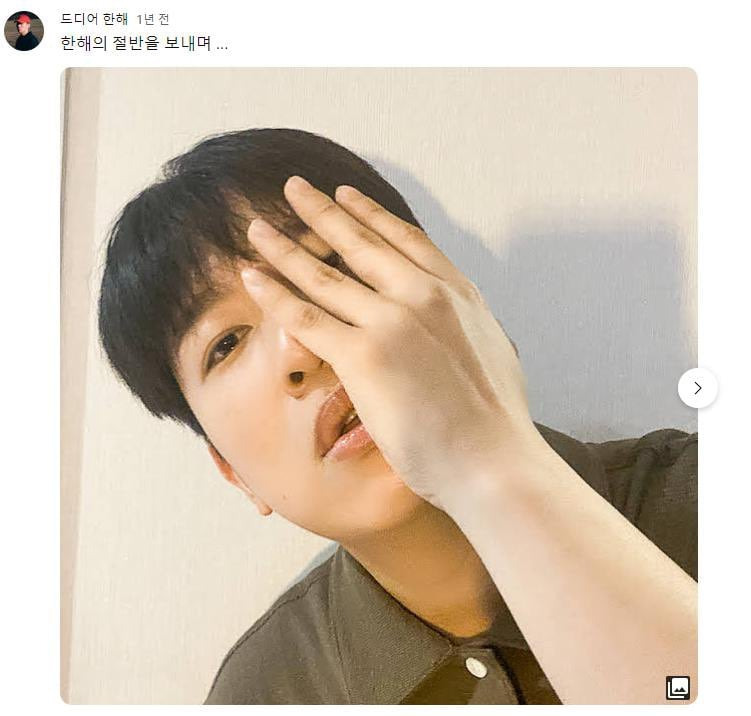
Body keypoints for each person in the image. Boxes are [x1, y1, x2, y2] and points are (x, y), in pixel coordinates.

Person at [97, 128, 697, 705]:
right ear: (234, 473)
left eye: (329, 268)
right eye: (226, 344)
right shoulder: (266, 695)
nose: (302, 344)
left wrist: (486, 461)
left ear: (459, 308)